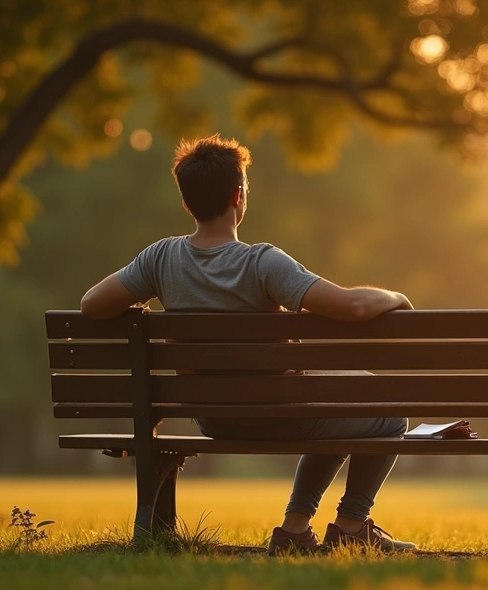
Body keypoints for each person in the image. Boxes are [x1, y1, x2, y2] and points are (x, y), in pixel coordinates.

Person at [79, 134, 416, 554]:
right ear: (239, 196)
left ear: (187, 204)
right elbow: (353, 307)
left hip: (215, 419)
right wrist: (395, 298)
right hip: (280, 414)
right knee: (388, 413)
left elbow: (91, 305)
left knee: (341, 401)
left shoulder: (160, 259)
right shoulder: (262, 263)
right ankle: (351, 523)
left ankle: (295, 528)